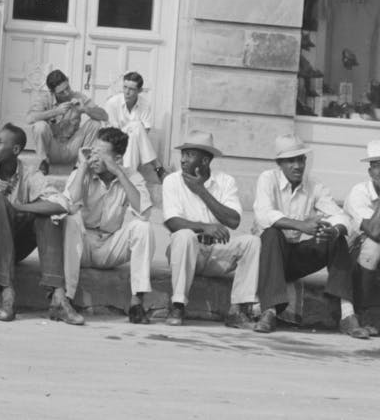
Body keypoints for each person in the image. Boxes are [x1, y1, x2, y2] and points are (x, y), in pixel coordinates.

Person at [253, 134, 369, 338]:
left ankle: (347, 314)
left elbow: (341, 216)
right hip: (268, 259)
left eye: (301, 159)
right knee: (272, 233)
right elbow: (264, 215)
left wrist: (333, 230)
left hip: (294, 258)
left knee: (337, 237)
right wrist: (302, 225)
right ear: (279, 163)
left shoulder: (314, 185)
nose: (297, 166)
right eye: (291, 161)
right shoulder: (267, 179)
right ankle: (269, 311)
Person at [0, 124, 76, 323]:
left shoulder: (30, 174)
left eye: (0, 142)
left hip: (19, 243)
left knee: (49, 216)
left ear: (15, 150)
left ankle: (58, 296)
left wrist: (20, 207)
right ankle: (8, 294)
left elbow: (60, 204)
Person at [162, 130, 260, 328]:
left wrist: (202, 191)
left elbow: (233, 220)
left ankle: (238, 309)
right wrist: (205, 227)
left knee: (252, 242)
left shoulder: (225, 181)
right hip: (187, 252)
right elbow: (172, 222)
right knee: (184, 235)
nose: (182, 160)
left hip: (216, 253)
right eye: (183, 154)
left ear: (205, 160)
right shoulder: (172, 181)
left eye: (189, 155)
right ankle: (178, 305)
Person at [60, 126, 155, 323]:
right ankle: (67, 298)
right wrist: (82, 169)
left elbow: (144, 212)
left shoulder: (132, 175)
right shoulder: (83, 171)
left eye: (100, 154)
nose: (93, 157)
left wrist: (120, 174)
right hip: (83, 244)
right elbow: (69, 205)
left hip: (110, 246)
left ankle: (137, 302)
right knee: (71, 219)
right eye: (93, 151)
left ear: (117, 158)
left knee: (143, 227)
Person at [27, 69, 106, 172]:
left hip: (72, 147)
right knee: (39, 126)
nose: (67, 93)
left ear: (68, 81)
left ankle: (80, 165)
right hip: (52, 149)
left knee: (95, 123)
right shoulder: (45, 98)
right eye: (61, 92)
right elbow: (30, 118)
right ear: (52, 92)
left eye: (67, 88)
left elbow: (104, 116)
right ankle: (43, 162)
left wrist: (85, 109)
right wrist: (55, 111)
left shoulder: (78, 96)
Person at [343, 139, 380, 335]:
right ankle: (364, 312)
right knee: (373, 246)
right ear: (370, 172)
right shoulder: (359, 192)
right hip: (353, 255)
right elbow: (374, 231)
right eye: (377, 166)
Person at [104, 72, 165, 180]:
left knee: (135, 132)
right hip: (113, 141)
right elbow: (112, 132)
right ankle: (157, 166)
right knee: (136, 125)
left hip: (133, 143)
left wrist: (132, 134)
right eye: (125, 87)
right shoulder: (112, 103)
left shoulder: (145, 104)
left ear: (139, 91)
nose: (127, 92)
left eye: (131, 89)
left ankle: (128, 174)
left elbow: (145, 131)